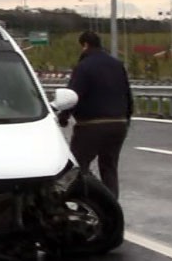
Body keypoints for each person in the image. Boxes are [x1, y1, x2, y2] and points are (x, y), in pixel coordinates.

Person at [57, 31, 133, 197]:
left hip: (92, 125)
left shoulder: (84, 66)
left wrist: (63, 116)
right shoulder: (117, 64)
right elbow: (127, 94)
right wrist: (126, 120)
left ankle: (84, 205)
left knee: (78, 166)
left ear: (85, 45)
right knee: (109, 167)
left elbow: (74, 95)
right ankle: (112, 208)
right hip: (118, 124)